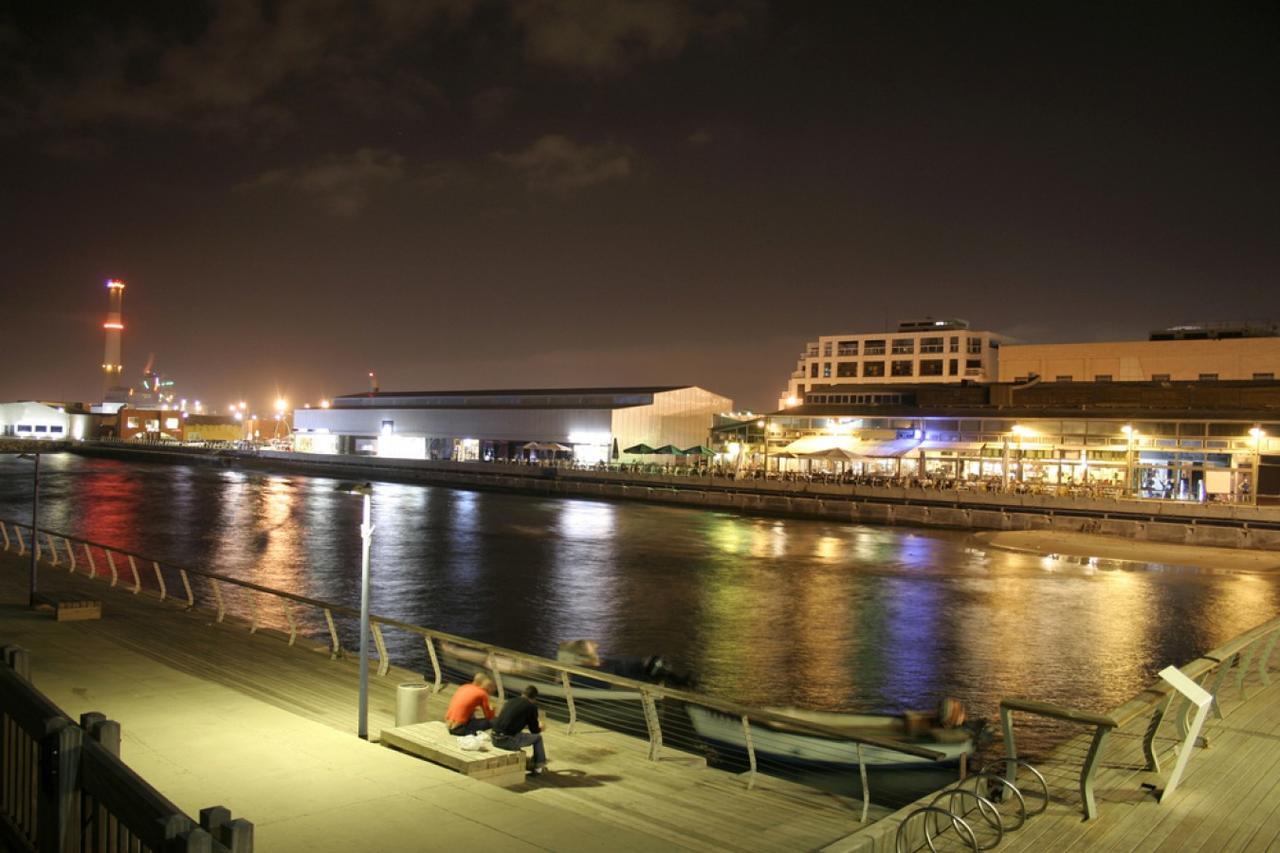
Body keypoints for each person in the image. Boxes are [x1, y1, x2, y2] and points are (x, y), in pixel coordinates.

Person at [491, 685, 546, 774]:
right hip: (506, 740)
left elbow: (510, 722)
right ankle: (539, 767)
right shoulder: (531, 707)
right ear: (534, 698)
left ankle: (533, 762)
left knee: (518, 734)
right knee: (538, 738)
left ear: (522, 693)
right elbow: (535, 731)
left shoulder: (510, 701)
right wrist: (541, 727)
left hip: (494, 738)